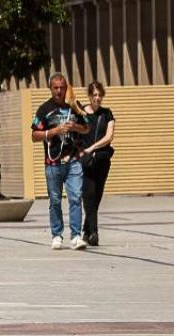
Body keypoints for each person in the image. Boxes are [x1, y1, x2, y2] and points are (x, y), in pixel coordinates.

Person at [33, 71, 89, 251]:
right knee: (55, 200)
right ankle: (57, 235)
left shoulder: (74, 106)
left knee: (76, 197)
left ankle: (76, 236)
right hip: (53, 163)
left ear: (67, 88)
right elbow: (34, 135)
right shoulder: (44, 109)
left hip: (73, 161)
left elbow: (87, 128)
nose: (59, 91)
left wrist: (75, 127)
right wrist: (54, 131)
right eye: (55, 88)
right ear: (50, 89)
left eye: (62, 88)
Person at [79, 81, 115, 246]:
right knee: (88, 195)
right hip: (85, 161)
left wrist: (92, 148)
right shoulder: (81, 113)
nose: (97, 98)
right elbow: (74, 134)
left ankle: (86, 231)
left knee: (97, 196)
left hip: (102, 160)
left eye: (100, 95)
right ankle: (94, 233)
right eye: (94, 95)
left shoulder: (107, 114)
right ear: (89, 96)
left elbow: (109, 137)